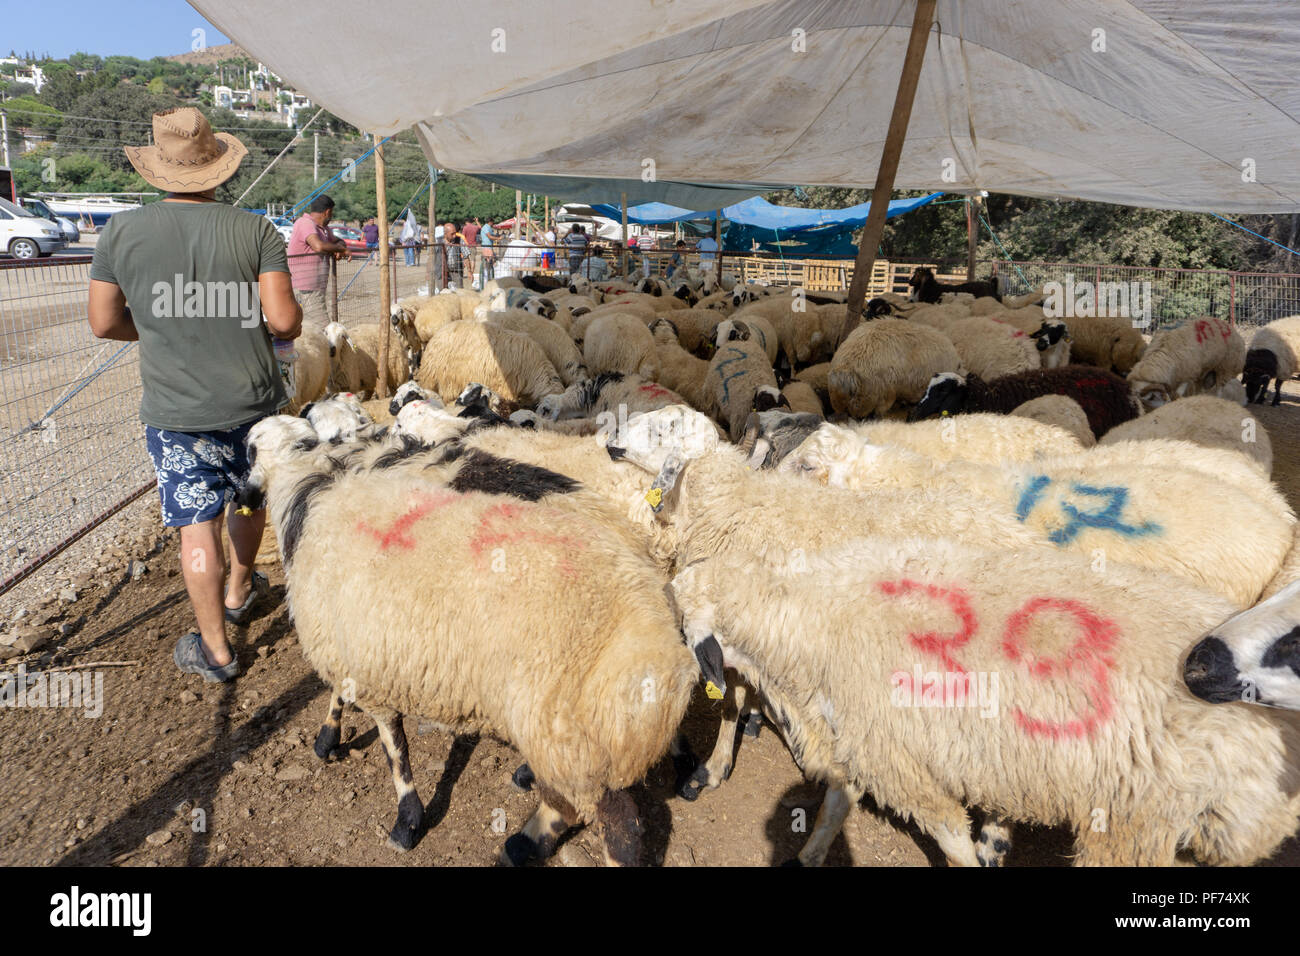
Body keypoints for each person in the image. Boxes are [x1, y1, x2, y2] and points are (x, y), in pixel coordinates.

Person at [87, 107, 303, 684]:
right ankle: (239, 588)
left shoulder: (120, 231)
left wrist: (158, 324)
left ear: (158, 169)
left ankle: (217, 651)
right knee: (250, 499)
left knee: (195, 526)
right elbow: (283, 322)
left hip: (177, 415)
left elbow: (104, 323)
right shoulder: (255, 229)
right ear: (217, 169)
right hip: (253, 405)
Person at [288, 194, 350, 329]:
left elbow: (338, 241)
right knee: (324, 330)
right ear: (327, 212)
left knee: (307, 329)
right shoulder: (305, 223)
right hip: (305, 289)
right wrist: (341, 249)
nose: (331, 216)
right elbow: (319, 246)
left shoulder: (323, 228)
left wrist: (340, 246)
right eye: (331, 213)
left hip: (314, 289)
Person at [479, 221, 495, 286]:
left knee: (490, 262)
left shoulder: (486, 227)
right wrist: (498, 238)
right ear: (490, 222)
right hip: (487, 247)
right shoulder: (486, 227)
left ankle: (489, 278)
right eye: (492, 222)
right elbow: (489, 236)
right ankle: (488, 279)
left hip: (488, 246)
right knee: (488, 262)